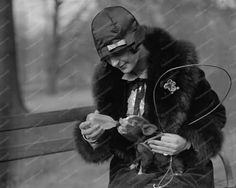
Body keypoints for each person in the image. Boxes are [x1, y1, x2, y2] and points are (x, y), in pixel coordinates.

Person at [74, 6, 226, 188]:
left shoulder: (179, 69)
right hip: (132, 170)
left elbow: (215, 116)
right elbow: (113, 140)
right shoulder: (110, 81)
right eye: (108, 57)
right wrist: (94, 135)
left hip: (184, 168)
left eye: (118, 53)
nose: (115, 62)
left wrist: (186, 142)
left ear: (136, 42)